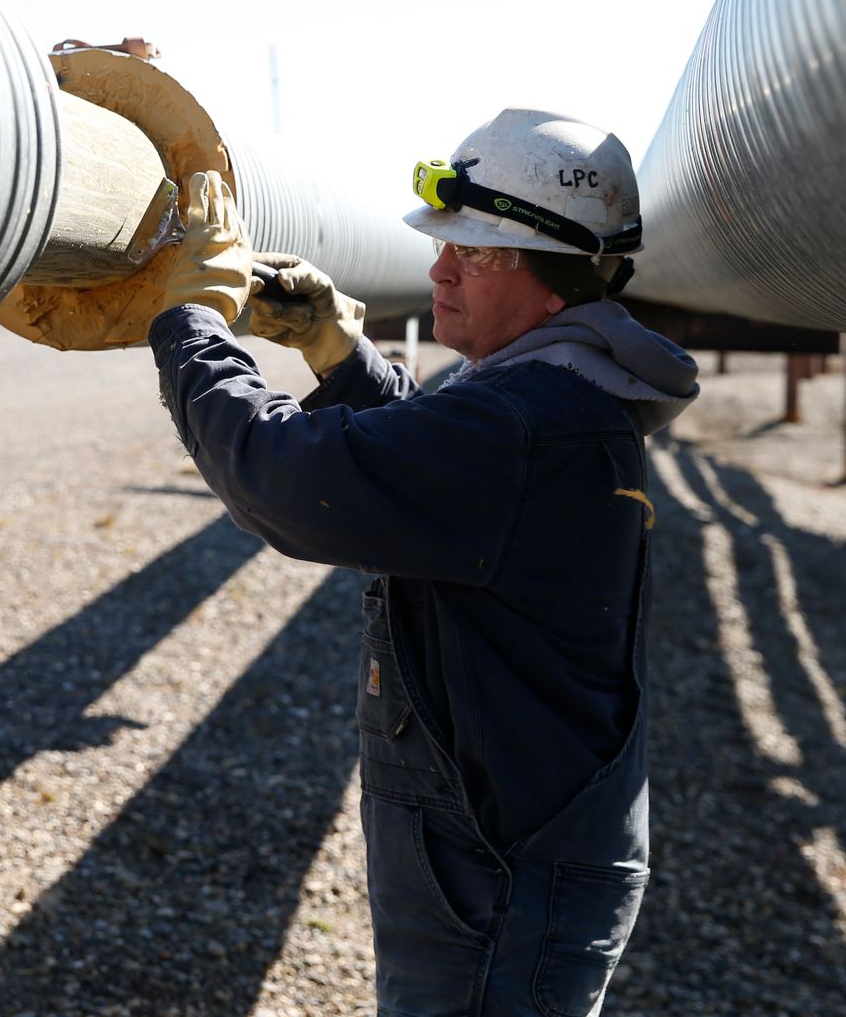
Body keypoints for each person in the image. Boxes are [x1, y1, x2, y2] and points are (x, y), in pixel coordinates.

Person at [148, 108, 699, 1016]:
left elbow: (285, 484)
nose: (441, 266)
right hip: (515, 843)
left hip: (499, 872)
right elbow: (444, 459)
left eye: (479, 253)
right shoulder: (556, 388)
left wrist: (190, 318)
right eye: (447, 241)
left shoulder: (528, 421)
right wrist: (335, 347)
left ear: (557, 281)